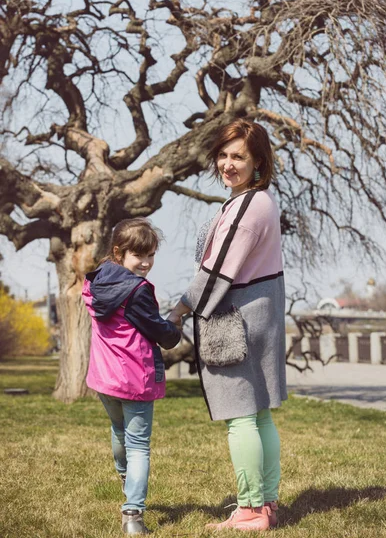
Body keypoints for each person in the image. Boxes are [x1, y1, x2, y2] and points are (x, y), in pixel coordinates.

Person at [168, 119, 287, 532]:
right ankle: (266, 504)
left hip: (237, 324)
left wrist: (179, 310)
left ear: (258, 161)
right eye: (223, 154)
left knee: (241, 418)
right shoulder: (260, 202)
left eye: (238, 156)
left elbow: (216, 273)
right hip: (259, 319)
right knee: (259, 416)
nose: (227, 163)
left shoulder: (249, 205)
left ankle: (251, 509)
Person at [82, 218, 181, 535]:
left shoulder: (96, 282)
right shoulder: (136, 292)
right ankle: (133, 515)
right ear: (118, 252)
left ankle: (126, 478)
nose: (147, 263)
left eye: (151, 255)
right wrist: (175, 327)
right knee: (139, 446)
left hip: (103, 378)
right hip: (134, 380)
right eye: (139, 256)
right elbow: (161, 333)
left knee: (118, 429)